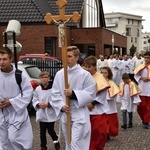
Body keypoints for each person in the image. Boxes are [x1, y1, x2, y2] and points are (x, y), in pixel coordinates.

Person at [51, 46, 96, 150]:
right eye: (65, 56)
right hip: (66, 113)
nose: (67, 59)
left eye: (69, 56)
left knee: (76, 143)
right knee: (69, 143)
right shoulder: (59, 74)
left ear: (76, 57)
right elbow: (55, 93)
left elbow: (91, 93)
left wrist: (73, 94)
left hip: (79, 114)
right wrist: (61, 106)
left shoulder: (84, 74)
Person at [0, 48, 33, 149]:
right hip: (2, 113)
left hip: (17, 113)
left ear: (11, 59)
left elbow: (27, 93)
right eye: (0, 59)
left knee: (14, 138)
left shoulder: (19, 75)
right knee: (4, 141)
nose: (1, 62)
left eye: (4, 59)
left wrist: (11, 102)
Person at [84, 56, 110, 150]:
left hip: (98, 111)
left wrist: (93, 103)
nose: (87, 69)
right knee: (87, 132)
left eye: (89, 67)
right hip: (85, 109)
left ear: (95, 67)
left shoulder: (100, 78)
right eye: (85, 67)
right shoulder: (85, 77)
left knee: (98, 132)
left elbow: (102, 94)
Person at [32, 71, 60, 150]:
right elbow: (35, 99)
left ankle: (55, 140)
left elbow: (56, 99)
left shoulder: (53, 88)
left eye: (46, 77)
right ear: (40, 78)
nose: (44, 79)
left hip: (50, 112)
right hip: (42, 113)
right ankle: (43, 146)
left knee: (51, 130)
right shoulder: (38, 89)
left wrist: (48, 104)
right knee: (42, 132)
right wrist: (38, 104)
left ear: (49, 78)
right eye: (42, 77)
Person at [101, 66, 120, 141]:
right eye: (102, 72)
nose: (103, 74)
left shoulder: (111, 83)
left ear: (109, 74)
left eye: (105, 73)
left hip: (110, 106)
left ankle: (108, 134)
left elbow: (113, 95)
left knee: (110, 121)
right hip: (101, 105)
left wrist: (106, 97)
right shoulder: (99, 82)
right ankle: (105, 133)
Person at [134, 51, 150, 128]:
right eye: (145, 57)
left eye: (148, 58)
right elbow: (136, 75)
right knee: (141, 106)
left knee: (148, 107)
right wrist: (141, 78)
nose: (146, 59)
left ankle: (146, 121)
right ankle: (144, 118)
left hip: (149, 89)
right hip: (142, 89)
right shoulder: (141, 66)